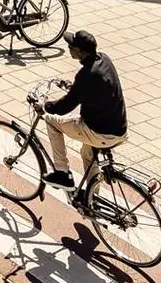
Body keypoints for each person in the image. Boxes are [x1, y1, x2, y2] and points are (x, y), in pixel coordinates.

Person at [36, 31, 128, 188]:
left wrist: (45, 106)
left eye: (70, 46)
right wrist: (75, 88)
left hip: (99, 132)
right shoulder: (105, 59)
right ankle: (92, 200)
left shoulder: (86, 74)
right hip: (119, 129)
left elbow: (65, 106)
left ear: (78, 51)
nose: (68, 48)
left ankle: (62, 174)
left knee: (52, 122)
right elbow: (97, 89)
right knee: (87, 154)